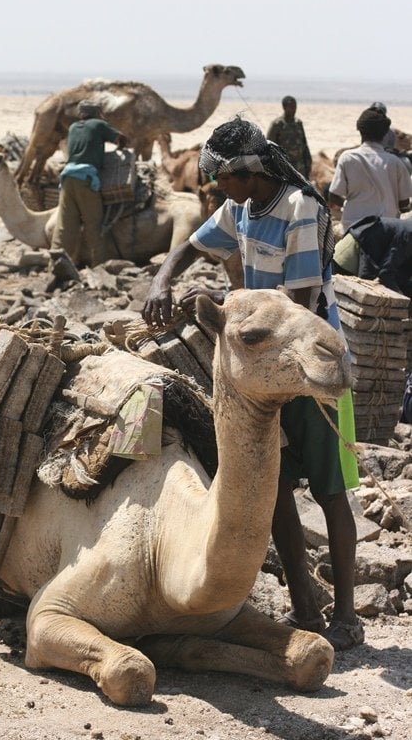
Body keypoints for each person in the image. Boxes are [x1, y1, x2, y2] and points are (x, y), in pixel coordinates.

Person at [143, 116, 364, 651]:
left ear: (249, 172)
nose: (220, 190)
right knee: (275, 489)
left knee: (332, 491)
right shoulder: (242, 208)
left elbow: (303, 304)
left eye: (225, 180)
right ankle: (305, 609)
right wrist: (162, 278)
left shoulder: (299, 210)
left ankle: (349, 614)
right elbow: (195, 244)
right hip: (261, 369)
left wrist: (249, 333)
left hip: (310, 370)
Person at [46, 100, 127, 290]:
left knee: (65, 226)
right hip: (86, 180)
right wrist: (120, 149)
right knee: (94, 225)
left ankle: (53, 267)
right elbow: (121, 139)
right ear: (98, 113)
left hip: (67, 179)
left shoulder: (74, 127)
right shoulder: (98, 124)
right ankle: (100, 270)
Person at [328, 108, 412, 235]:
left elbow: (333, 196)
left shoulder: (347, 158)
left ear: (360, 130)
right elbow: (404, 203)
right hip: (387, 231)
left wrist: (346, 204)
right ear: (385, 134)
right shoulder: (396, 163)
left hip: (353, 231)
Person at [333, 215, 412, 297]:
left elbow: (402, 275)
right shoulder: (408, 235)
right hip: (351, 253)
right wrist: (401, 298)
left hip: (364, 247)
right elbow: (386, 273)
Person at [266, 95, 312, 178]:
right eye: (291, 107)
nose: (294, 109)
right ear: (284, 107)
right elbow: (269, 147)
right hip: (284, 168)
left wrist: (308, 164)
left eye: (295, 106)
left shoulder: (298, 123)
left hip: (300, 168)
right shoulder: (277, 124)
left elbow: (304, 145)